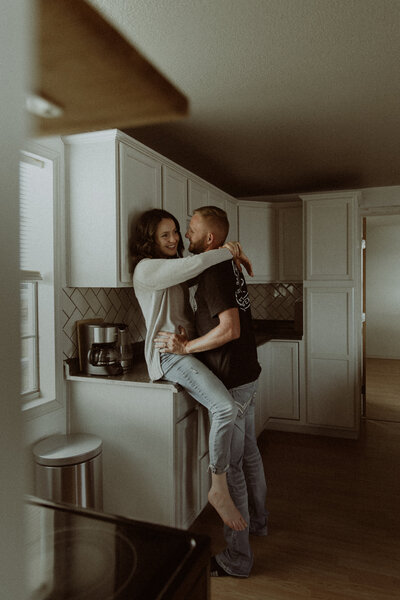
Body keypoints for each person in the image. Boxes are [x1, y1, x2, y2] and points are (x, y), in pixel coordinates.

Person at [154, 206, 268, 578]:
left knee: (232, 469)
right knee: (249, 453)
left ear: (209, 239)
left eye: (189, 231)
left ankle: (237, 559)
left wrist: (185, 348)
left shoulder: (215, 269)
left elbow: (229, 328)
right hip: (246, 374)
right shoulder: (224, 265)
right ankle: (259, 523)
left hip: (233, 380)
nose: (185, 237)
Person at [131, 208, 253, 531]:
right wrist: (228, 250)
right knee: (225, 407)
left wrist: (231, 256)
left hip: (183, 350)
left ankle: (223, 487)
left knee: (224, 411)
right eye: (165, 235)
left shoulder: (175, 268)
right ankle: (218, 486)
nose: (175, 239)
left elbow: (197, 275)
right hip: (168, 357)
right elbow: (200, 263)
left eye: (176, 231)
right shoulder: (146, 269)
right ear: (150, 241)